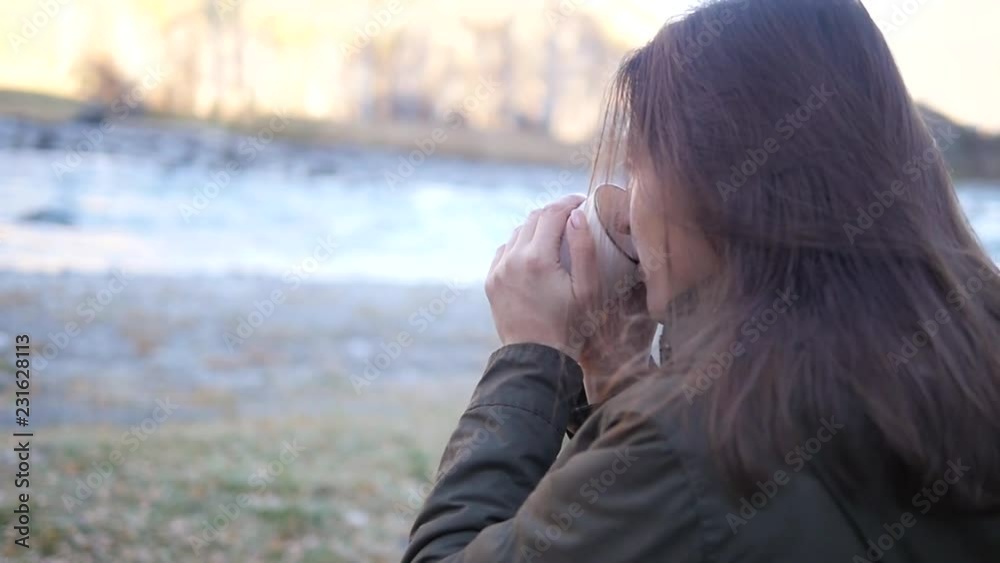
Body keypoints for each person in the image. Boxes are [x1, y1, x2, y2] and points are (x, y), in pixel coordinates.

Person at [402, 0, 1000, 560]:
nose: (628, 208)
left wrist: (530, 357)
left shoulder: (699, 442)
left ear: (721, 185)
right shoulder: (964, 346)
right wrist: (617, 377)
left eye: (637, 168)